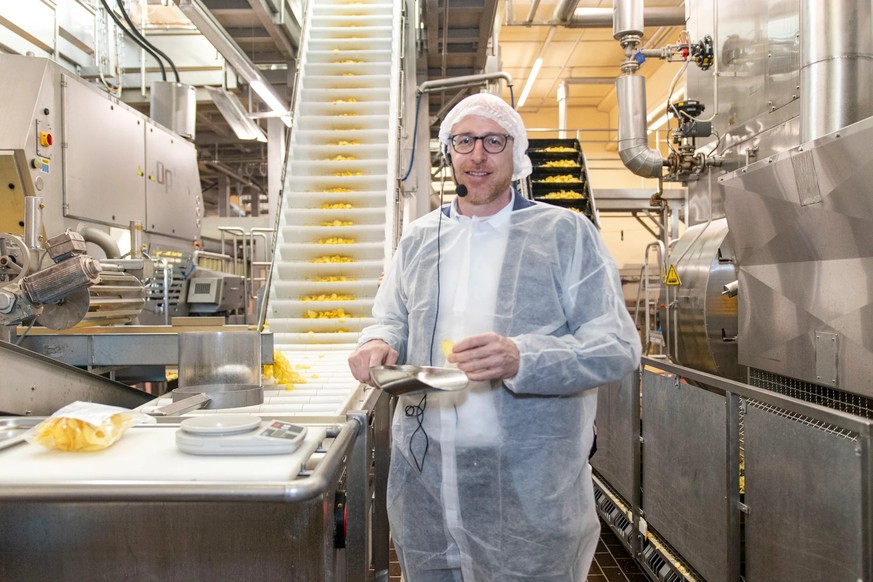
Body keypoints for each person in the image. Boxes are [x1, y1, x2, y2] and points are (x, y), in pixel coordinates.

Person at [348, 92, 641, 581]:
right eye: (465, 140)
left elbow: (616, 345)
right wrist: (375, 343)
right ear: (451, 153)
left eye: (493, 140)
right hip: (427, 476)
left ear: (516, 152)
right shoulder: (420, 238)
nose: (477, 155)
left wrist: (521, 356)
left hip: (529, 482)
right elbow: (390, 316)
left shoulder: (565, 234)